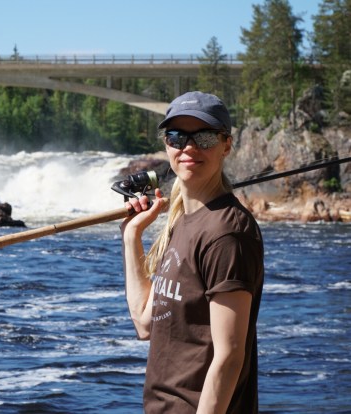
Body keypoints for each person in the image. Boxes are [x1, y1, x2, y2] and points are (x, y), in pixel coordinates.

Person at [120, 91, 264, 413]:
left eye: (204, 136)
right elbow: (145, 323)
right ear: (166, 144)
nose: (188, 147)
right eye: (176, 136)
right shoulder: (183, 221)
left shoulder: (227, 233)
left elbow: (229, 357)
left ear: (226, 145)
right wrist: (131, 236)